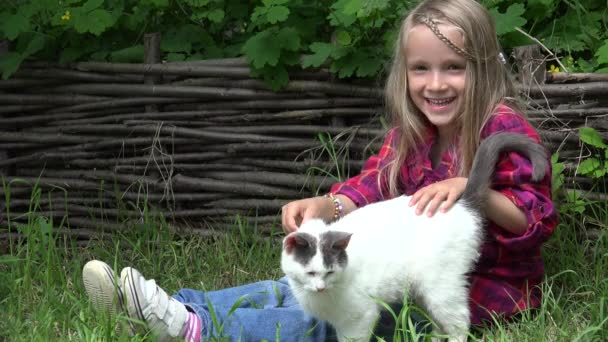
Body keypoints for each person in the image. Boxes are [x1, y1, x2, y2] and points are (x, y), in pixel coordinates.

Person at [82, 0, 558, 340]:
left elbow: (534, 220)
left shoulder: (502, 126)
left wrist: (468, 186)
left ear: (482, 69)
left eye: (453, 67)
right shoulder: (412, 132)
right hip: (393, 274)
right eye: (421, 69)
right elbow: (371, 185)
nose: (435, 84)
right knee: (289, 290)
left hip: (476, 295)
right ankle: (175, 305)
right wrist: (328, 205)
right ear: (404, 72)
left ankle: (198, 329)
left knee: (328, 323)